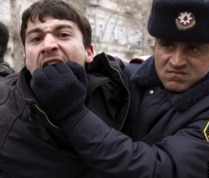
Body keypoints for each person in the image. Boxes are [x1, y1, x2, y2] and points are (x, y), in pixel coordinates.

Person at [27, 0, 209, 177]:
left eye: (193, 49)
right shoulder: (130, 76)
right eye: (167, 45)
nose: (176, 61)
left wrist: (74, 114)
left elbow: (161, 170)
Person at [0, 0, 129, 177]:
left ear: (89, 52)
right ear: (25, 56)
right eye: (36, 39)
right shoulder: (4, 112)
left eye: (63, 34)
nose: (48, 45)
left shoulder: (121, 92)